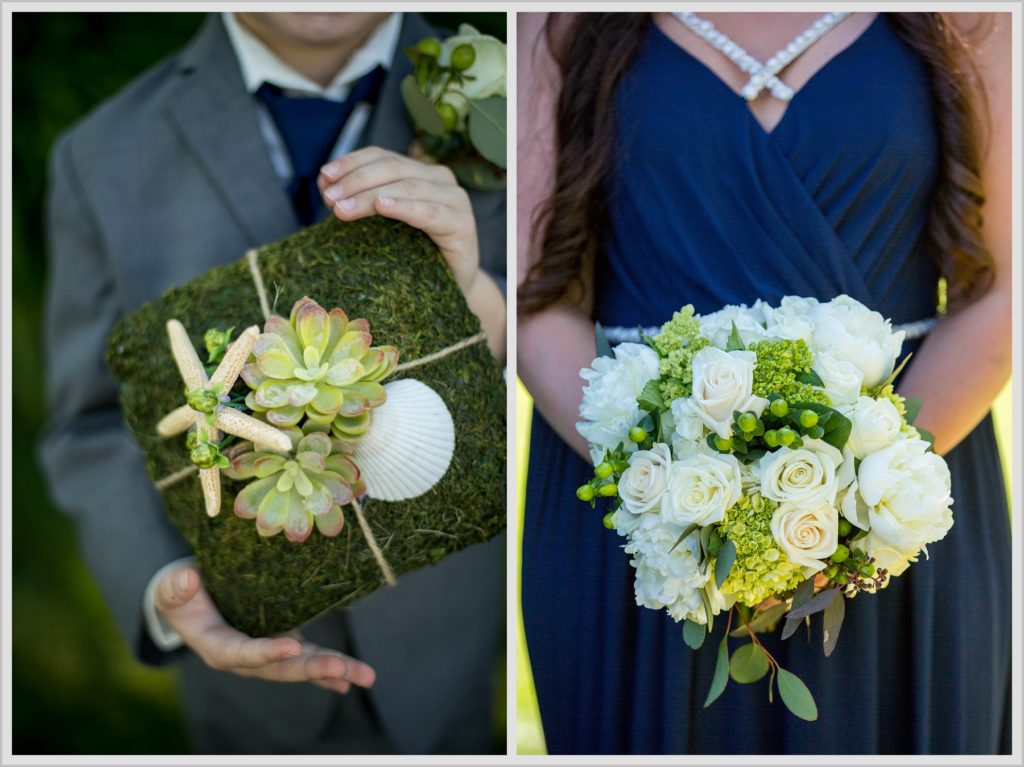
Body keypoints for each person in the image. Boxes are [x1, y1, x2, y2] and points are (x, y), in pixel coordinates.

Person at [518, 11, 1010, 755]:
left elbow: (1008, 289)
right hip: (639, 505)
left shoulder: (977, 19)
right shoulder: (555, 23)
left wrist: (855, 490)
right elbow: (534, 297)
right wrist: (665, 480)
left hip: (906, 491)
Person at [41, 12, 505, 755]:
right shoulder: (99, 157)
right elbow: (90, 421)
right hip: (244, 691)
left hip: (445, 654)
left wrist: (476, 289)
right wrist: (163, 584)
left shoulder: (506, 101)